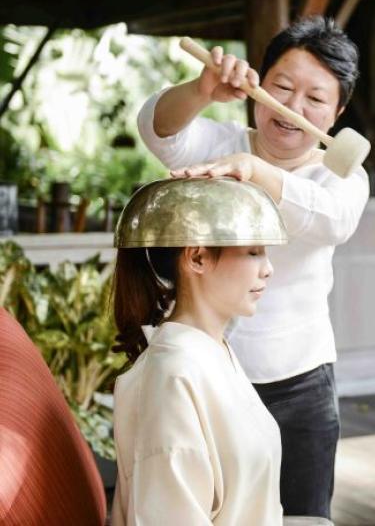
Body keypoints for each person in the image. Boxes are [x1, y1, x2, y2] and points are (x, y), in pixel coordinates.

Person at [137, 16, 369, 518]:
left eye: (315, 98)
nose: (293, 108)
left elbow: (332, 220)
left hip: (300, 380)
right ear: (258, 86)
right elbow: (157, 131)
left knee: (303, 517)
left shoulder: (341, 177)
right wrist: (200, 90)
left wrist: (256, 172)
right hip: (205, 370)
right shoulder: (223, 142)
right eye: (282, 88)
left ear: (337, 114)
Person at [110, 177, 288, 526]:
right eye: (253, 252)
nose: (268, 269)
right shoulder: (172, 375)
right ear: (197, 258)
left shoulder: (212, 350)